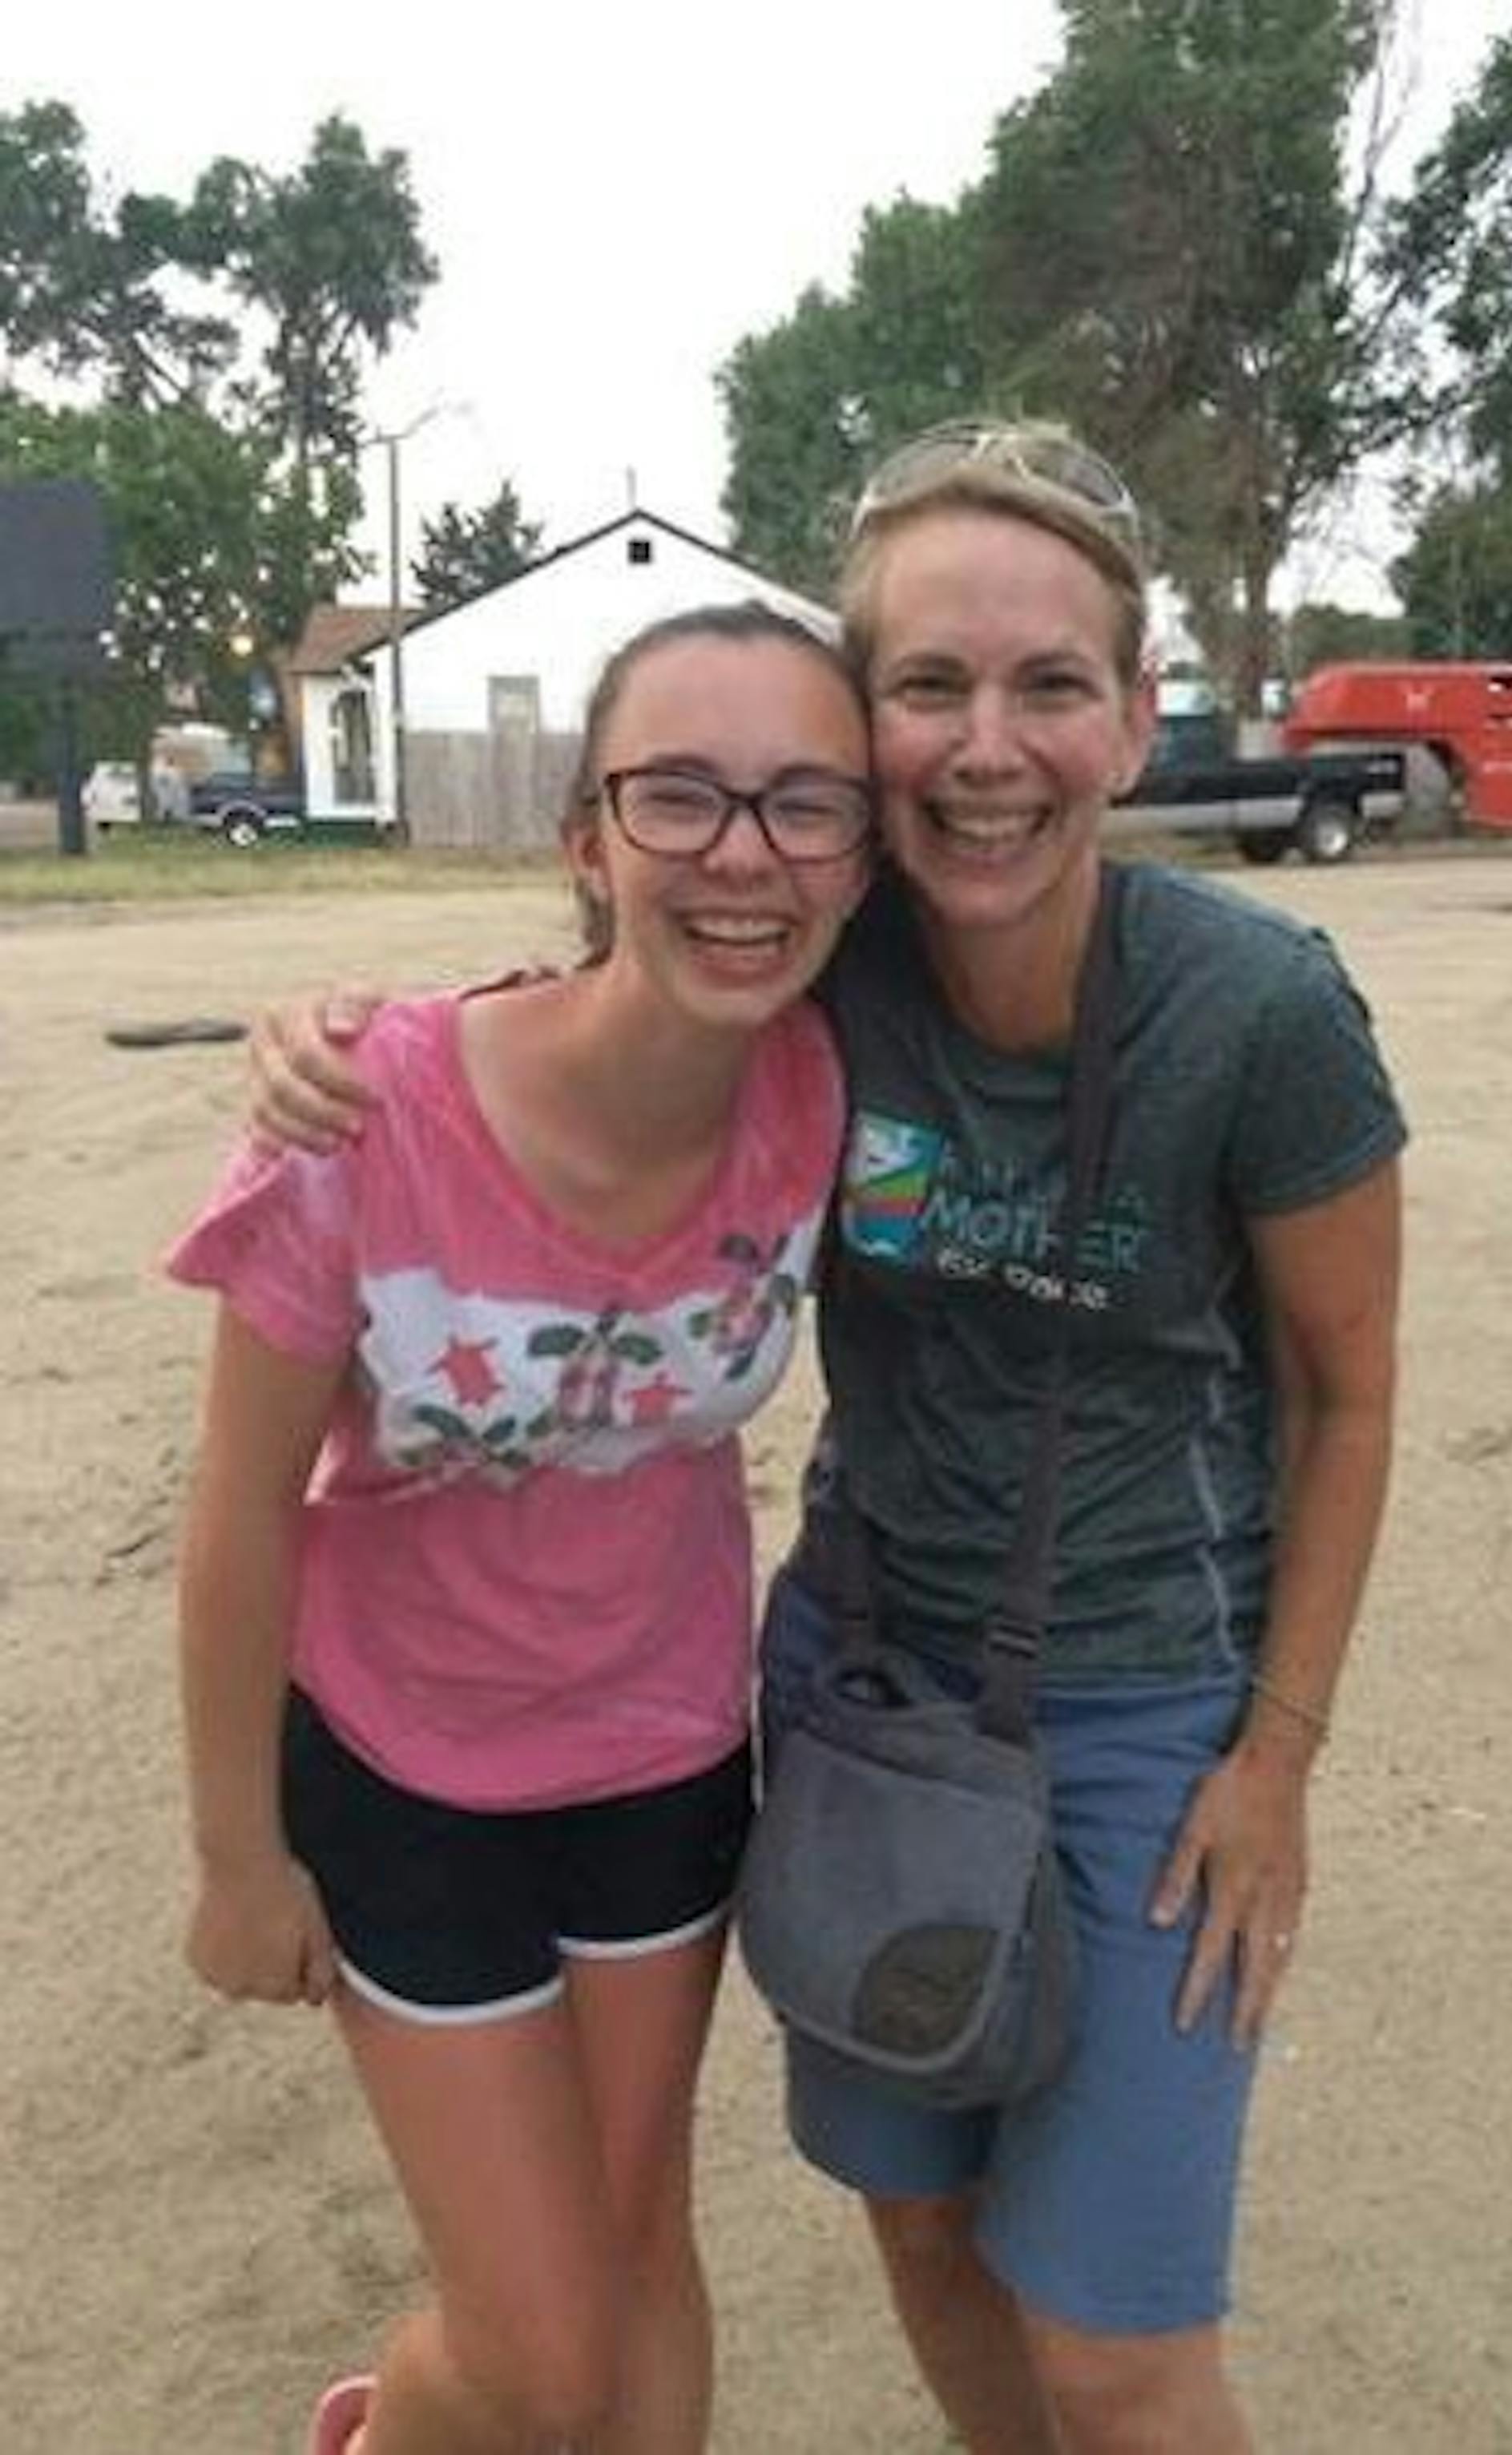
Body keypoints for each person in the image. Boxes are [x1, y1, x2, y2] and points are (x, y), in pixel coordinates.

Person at [251, 420, 1405, 2455]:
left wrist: (1277, 1757)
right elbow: (598, 997)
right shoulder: (818, 959)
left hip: (1146, 1703)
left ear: (1137, 713)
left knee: (1121, 2352)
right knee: (927, 2225)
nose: (987, 747)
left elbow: (1350, 1384)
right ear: (866, 732)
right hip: (864, 1685)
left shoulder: (1258, 1011)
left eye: (1050, 683)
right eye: (929, 684)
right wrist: (348, 1041)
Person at [168, 600, 874, 2455]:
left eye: (807, 800)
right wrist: (237, 1854)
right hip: (405, 1768)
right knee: (538, 2358)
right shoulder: (365, 1114)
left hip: (663, 1755)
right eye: (679, 793)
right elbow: (236, 1510)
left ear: (861, 855)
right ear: (586, 836)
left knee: (640, 2255)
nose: (745, 851)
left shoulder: (825, 1085)